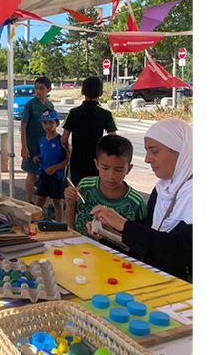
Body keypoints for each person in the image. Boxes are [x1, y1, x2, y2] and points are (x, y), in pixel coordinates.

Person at [92, 118, 192, 281]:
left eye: (154, 151)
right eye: (146, 151)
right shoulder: (162, 189)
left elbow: (178, 251)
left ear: (181, 151)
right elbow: (148, 242)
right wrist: (109, 232)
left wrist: (123, 224)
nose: (147, 159)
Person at [64, 135, 147, 237]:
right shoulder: (85, 185)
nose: (111, 176)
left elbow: (142, 237)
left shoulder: (136, 202)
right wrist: (70, 203)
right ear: (96, 164)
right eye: (105, 168)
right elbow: (72, 223)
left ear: (129, 169)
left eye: (119, 170)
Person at [62, 76, 117, 184]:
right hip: (97, 160)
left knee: (77, 188)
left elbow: (64, 139)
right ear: (101, 93)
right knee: (95, 187)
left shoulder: (74, 113)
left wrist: (68, 150)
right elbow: (113, 138)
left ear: (82, 92)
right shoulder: (106, 114)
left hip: (77, 159)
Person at [20, 76, 54, 203]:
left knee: (47, 172)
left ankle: (48, 202)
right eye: (36, 88)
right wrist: (24, 146)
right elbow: (23, 126)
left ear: (48, 90)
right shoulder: (30, 105)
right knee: (32, 173)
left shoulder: (49, 105)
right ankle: (28, 201)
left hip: (45, 144)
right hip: (32, 144)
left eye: (41, 88)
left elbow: (52, 124)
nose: (38, 91)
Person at [33, 110, 69, 222]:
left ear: (57, 123)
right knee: (40, 199)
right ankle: (35, 221)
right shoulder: (41, 141)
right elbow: (39, 154)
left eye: (51, 122)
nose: (47, 126)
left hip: (56, 176)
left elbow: (67, 160)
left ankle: (59, 224)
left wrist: (55, 168)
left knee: (57, 202)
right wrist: (36, 158)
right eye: (44, 123)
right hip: (44, 174)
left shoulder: (61, 141)